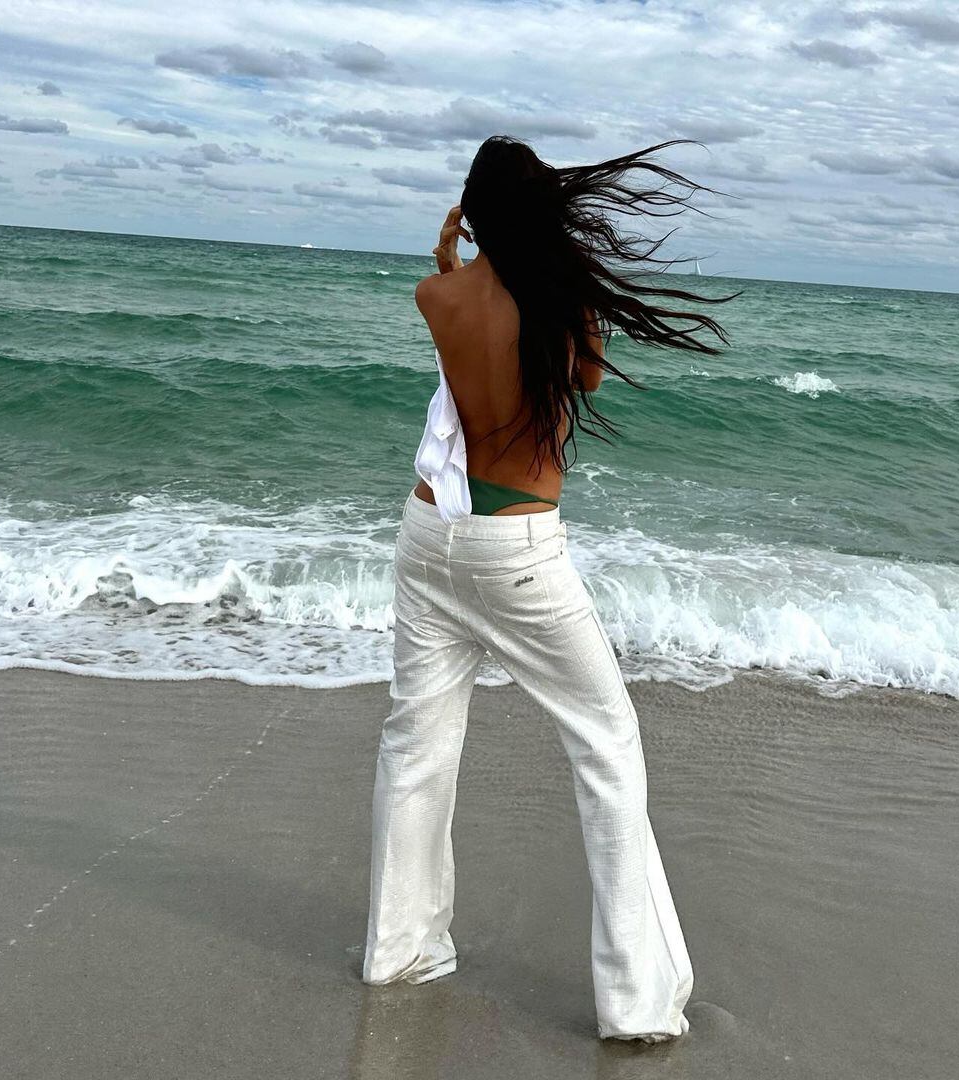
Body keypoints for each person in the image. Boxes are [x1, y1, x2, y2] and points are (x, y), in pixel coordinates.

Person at [362, 135, 737, 1042]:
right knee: (607, 745)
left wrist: (454, 255)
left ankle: (398, 950)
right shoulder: (563, 305)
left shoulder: (434, 294)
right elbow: (587, 380)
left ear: (471, 212)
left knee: (416, 744)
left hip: (427, 539)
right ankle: (636, 1002)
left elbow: (460, 312)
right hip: (518, 550)